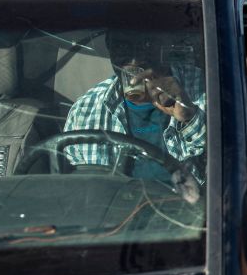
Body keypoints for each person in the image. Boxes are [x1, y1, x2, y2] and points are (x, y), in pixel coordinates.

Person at [64, 30, 205, 182]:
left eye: (147, 44)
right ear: (109, 47)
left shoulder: (205, 85)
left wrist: (190, 117)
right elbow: (77, 188)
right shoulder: (84, 111)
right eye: (123, 46)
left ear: (165, 44)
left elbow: (225, 162)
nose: (135, 60)